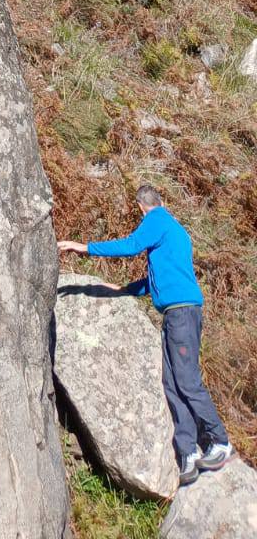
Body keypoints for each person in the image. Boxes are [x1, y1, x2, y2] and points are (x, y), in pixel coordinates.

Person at [58, 184, 233, 487]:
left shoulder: (158, 220)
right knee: (172, 382)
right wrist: (126, 290)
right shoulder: (174, 232)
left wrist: (84, 247)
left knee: (187, 381)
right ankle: (188, 453)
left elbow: (130, 245)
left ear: (142, 206)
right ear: (161, 199)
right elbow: (158, 281)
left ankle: (219, 441)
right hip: (179, 312)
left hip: (181, 313)